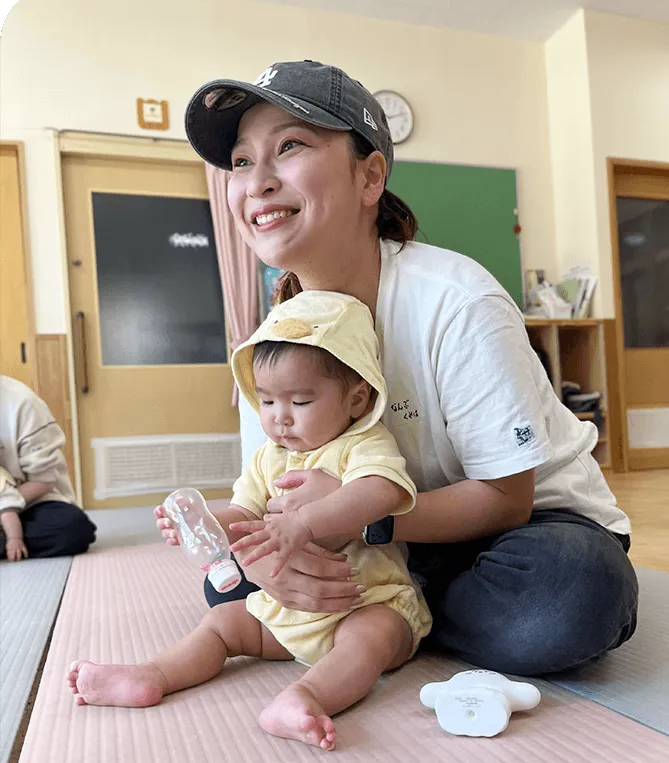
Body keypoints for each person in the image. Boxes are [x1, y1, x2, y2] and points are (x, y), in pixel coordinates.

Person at [176, 59, 637, 677]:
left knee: (568, 593)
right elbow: (266, 493)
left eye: (289, 146)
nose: (255, 181)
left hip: (516, 527)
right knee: (229, 583)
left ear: (370, 178)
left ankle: (385, 618)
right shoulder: (276, 332)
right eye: (239, 161)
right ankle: (387, 615)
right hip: (383, 544)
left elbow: (506, 499)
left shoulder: (456, 299)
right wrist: (271, 561)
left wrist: (355, 518)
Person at [67, 291, 431, 751]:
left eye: (300, 402)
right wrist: (200, 522)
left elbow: (382, 491)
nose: (279, 419)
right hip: (284, 610)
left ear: (356, 399)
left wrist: (305, 522)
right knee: (222, 622)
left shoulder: (363, 444)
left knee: (372, 638)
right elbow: (243, 514)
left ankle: (305, 698)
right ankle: (152, 674)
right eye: (267, 401)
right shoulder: (268, 458)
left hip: (365, 602)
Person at [0, 375, 96, 560]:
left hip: (32, 501)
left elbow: (43, 481)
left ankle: (12, 539)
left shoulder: (22, 404)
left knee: (72, 529)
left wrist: (6, 503)